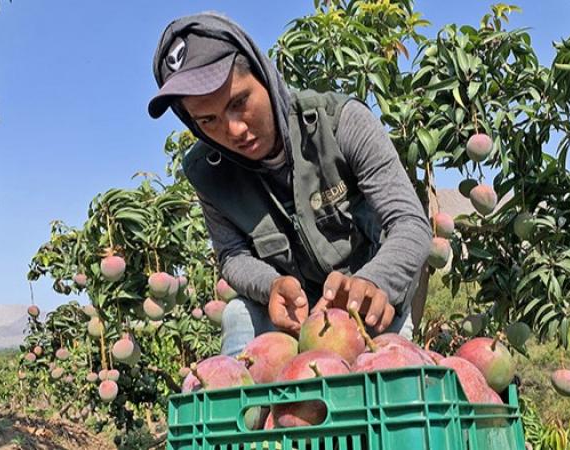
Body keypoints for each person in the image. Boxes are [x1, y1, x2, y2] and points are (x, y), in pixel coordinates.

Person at [147, 12, 431, 357]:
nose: (234, 130)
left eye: (239, 102)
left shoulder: (340, 123)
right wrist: (271, 286)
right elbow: (232, 254)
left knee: (380, 370)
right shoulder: (207, 172)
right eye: (208, 120)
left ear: (264, 76)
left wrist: (375, 281)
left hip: (372, 296)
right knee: (238, 313)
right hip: (295, 314)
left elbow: (409, 222)